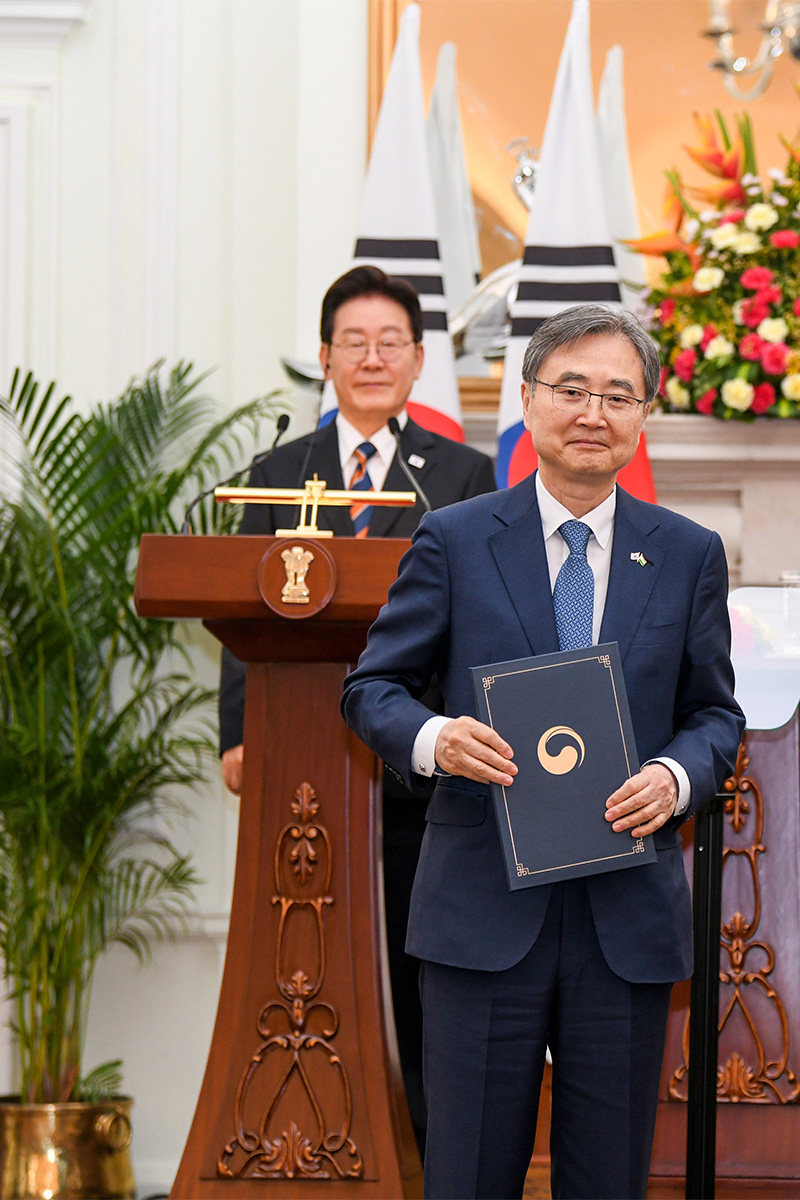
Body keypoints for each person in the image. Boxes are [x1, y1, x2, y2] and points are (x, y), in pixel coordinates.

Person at [340, 304, 744, 1199]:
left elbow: (715, 715)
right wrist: (440, 739)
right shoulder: (453, 538)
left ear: (644, 417)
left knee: (608, 1180)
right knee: (469, 1174)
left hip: (623, 914)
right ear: (528, 401)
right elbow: (371, 691)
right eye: (572, 389)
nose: (593, 413)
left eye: (618, 395)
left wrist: (676, 777)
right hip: (483, 910)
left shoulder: (686, 554)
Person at [217, 265, 496, 1152]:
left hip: (423, 772)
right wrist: (237, 734)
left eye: (390, 344)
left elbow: (485, 620)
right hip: (299, 775)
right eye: (353, 343)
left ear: (417, 361)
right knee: (304, 968)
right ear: (327, 360)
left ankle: (420, 1151)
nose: (371, 359)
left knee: (421, 980)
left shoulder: (462, 474)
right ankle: (303, 1143)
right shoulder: (276, 472)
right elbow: (238, 615)